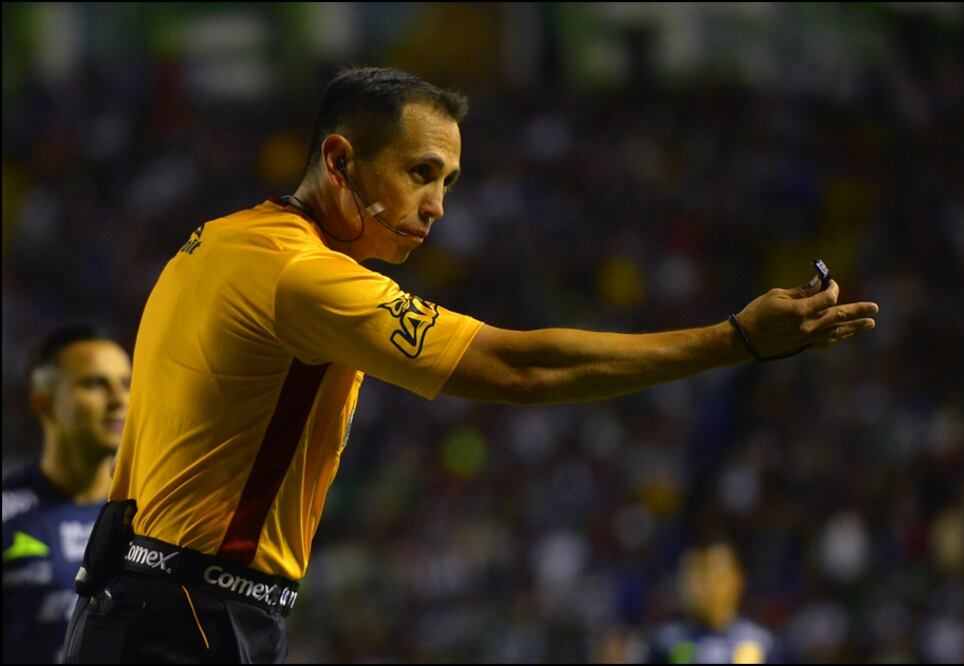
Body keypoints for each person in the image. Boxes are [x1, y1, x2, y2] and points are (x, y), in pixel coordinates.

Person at [61, 66, 879, 664]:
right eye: (420, 174)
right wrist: (731, 340)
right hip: (189, 618)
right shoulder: (301, 276)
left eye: (448, 181)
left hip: (139, 604)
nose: (438, 207)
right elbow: (518, 368)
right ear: (340, 161)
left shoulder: (214, 240)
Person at [3, 325, 131, 663]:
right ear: (44, 403)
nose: (119, 400)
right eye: (94, 384)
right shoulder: (8, 516)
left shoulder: (151, 519)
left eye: (126, 384)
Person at [645, 542, 780, 664]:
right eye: (695, 575)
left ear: (737, 580)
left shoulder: (760, 644)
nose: (705, 586)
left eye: (716, 576)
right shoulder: (665, 643)